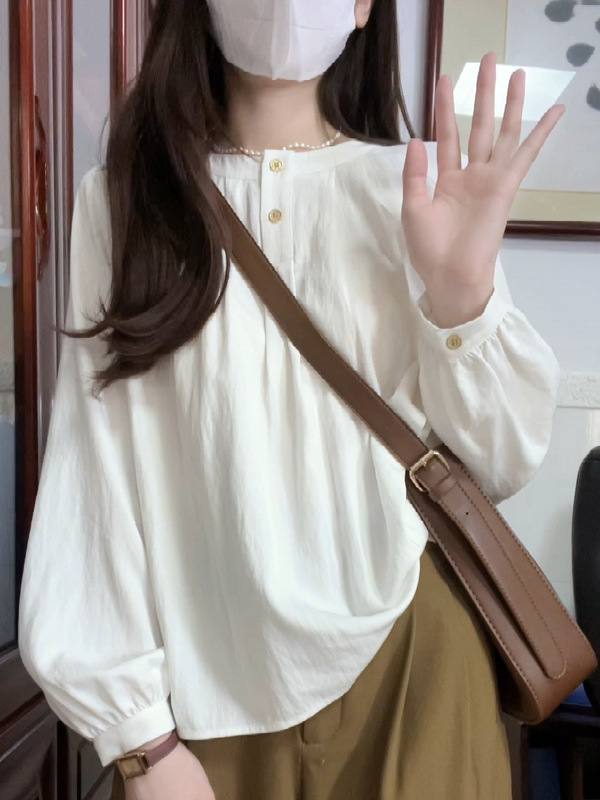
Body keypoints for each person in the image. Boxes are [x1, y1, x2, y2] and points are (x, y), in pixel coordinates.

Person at [18, 0, 564, 798]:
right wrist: (140, 743)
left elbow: (503, 461)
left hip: (416, 657)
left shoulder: (411, 188)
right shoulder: (127, 202)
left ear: (365, 7)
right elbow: (91, 476)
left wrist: (463, 296)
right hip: (210, 695)